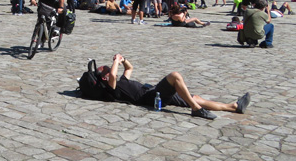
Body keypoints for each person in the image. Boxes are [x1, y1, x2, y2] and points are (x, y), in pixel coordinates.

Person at [97, 54, 250, 120]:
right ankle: (196, 110)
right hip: (150, 98)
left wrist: (123, 60)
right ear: (105, 77)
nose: (111, 70)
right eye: (108, 70)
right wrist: (115, 63)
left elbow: (129, 69)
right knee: (175, 76)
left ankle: (233, 106)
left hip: (152, 92)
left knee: (193, 98)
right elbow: (113, 76)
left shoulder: (121, 81)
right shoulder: (112, 88)